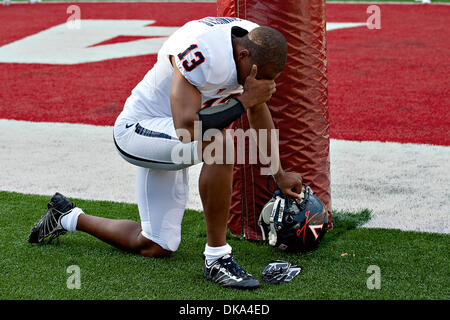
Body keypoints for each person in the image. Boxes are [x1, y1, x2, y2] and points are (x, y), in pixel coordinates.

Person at [28, 17, 303, 290]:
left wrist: (278, 173)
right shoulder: (203, 51)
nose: (260, 84)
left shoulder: (253, 42)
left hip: (171, 137)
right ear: (243, 55)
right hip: (139, 130)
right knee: (220, 143)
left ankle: (65, 216)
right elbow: (186, 126)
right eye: (259, 77)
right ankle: (217, 259)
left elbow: (257, 109)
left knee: (156, 245)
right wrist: (244, 100)